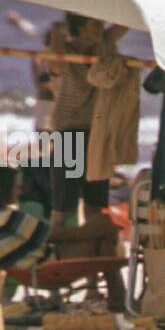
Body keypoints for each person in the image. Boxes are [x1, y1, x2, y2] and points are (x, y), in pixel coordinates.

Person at [0, 165, 126, 310]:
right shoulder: (8, 218)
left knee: (102, 229)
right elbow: (56, 235)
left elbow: (51, 235)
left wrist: (93, 230)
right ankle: (116, 295)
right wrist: (97, 229)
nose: (19, 191)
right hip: (47, 270)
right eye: (16, 186)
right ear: (5, 189)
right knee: (103, 226)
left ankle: (116, 295)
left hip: (29, 271)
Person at [47, 12, 128, 232]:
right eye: (95, 23)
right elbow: (56, 65)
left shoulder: (102, 48)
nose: (100, 27)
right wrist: (57, 31)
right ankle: (56, 258)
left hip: (96, 133)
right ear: (81, 27)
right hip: (69, 134)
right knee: (63, 209)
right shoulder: (65, 54)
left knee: (96, 206)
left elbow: (124, 23)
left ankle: (96, 255)